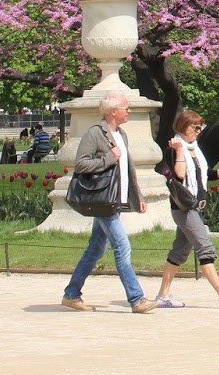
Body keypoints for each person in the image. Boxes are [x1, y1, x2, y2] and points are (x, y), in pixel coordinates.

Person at [60, 91, 156, 314]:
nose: (129, 111)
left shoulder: (121, 133)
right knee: (122, 247)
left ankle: (71, 294)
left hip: (114, 199)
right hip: (102, 199)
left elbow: (128, 169)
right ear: (114, 111)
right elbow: (81, 165)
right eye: (126, 108)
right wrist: (109, 157)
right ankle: (136, 299)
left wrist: (137, 197)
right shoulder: (94, 134)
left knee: (95, 248)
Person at [152, 110, 219, 309]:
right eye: (195, 127)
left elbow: (200, 172)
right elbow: (181, 174)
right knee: (205, 247)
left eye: (200, 127)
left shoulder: (195, 147)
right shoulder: (174, 148)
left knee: (178, 253)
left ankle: (163, 295)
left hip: (195, 206)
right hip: (184, 208)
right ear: (183, 127)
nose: (199, 131)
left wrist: (217, 173)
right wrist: (178, 152)